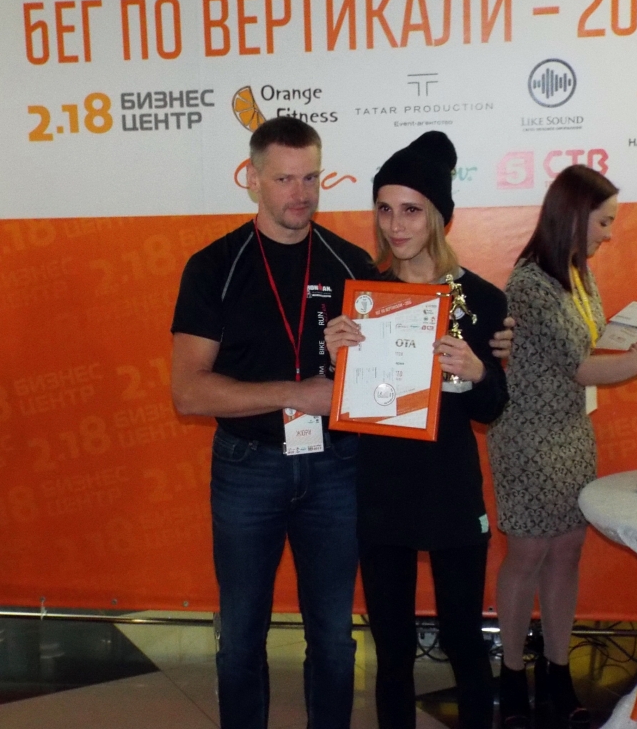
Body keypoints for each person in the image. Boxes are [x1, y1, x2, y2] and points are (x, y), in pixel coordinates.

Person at [170, 116, 380, 729]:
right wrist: (297, 393)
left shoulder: (352, 263)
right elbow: (188, 392)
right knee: (240, 636)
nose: (300, 193)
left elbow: (384, 381)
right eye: (285, 179)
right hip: (248, 467)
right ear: (252, 180)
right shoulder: (214, 266)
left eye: (311, 177)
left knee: (335, 637)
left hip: (336, 466)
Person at [486, 165, 637, 729]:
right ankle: (512, 676)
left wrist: (631, 343)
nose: (609, 233)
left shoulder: (579, 274)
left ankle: (557, 671)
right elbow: (581, 367)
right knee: (528, 554)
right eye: (604, 221)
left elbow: (592, 344)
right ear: (574, 216)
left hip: (572, 431)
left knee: (567, 550)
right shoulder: (530, 283)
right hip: (528, 436)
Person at [324, 131, 509, 729]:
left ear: (438, 216)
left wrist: (478, 372)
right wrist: (335, 357)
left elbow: (491, 409)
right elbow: (345, 405)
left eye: (411, 210)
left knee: (463, 640)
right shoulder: (364, 295)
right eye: (385, 209)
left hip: (451, 490)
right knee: (393, 649)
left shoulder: (481, 300)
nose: (396, 225)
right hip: (382, 491)